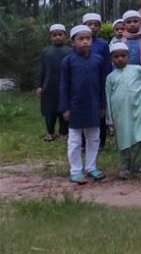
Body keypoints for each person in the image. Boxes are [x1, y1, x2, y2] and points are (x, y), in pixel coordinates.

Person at [59, 25, 106, 184]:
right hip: (75, 106)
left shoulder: (98, 59)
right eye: (81, 39)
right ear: (73, 42)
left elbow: (102, 84)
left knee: (94, 138)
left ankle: (91, 167)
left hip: (93, 105)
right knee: (75, 140)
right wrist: (65, 108)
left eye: (88, 38)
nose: (85, 42)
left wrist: (102, 106)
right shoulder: (68, 61)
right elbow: (64, 86)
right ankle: (76, 170)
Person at [105, 42, 141, 179]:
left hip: (137, 110)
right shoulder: (110, 77)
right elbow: (108, 98)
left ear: (128, 56)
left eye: (123, 56)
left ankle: (139, 164)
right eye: (116, 56)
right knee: (123, 140)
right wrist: (109, 119)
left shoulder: (136, 69)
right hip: (119, 113)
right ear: (112, 59)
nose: (120, 59)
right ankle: (124, 167)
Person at [81, 13, 111, 149]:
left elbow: (106, 66)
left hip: (100, 83)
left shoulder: (103, 44)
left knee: (100, 111)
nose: (93, 27)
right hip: (82, 83)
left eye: (96, 24)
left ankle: (100, 142)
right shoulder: (78, 42)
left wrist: (107, 83)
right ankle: (83, 141)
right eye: (89, 24)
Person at [37, 24, 71, 142]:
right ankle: (50, 132)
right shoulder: (46, 52)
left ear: (65, 36)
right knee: (49, 112)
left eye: (60, 35)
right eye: (54, 35)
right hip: (49, 86)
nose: (57, 37)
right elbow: (41, 69)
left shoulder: (70, 51)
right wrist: (39, 86)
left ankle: (63, 133)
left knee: (64, 110)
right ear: (50, 37)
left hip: (65, 86)